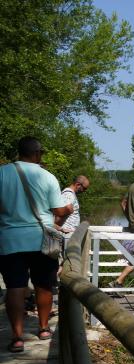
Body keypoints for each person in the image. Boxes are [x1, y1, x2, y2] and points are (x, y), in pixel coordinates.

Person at [0, 137, 71, 352]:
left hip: (10, 240)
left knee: (14, 288)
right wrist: (68, 209)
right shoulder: (47, 176)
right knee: (44, 285)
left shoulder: (2, 173)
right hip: (41, 239)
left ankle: (17, 337)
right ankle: (43, 329)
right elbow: (58, 211)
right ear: (38, 154)